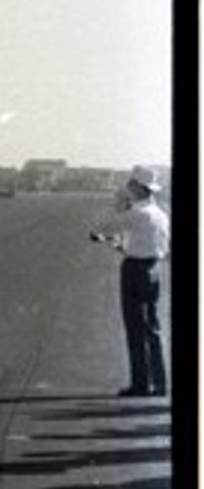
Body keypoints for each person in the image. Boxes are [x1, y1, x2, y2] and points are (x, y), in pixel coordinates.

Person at [90, 165, 171, 397]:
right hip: (154, 267)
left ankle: (141, 384)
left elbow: (103, 227)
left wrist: (118, 203)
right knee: (152, 328)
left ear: (137, 187)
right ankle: (160, 381)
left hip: (135, 269)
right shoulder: (159, 214)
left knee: (135, 328)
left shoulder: (138, 214)